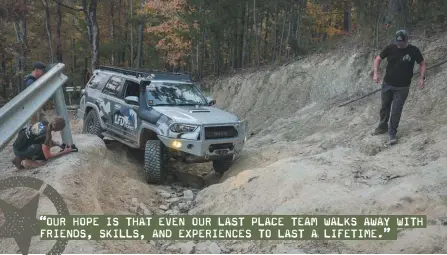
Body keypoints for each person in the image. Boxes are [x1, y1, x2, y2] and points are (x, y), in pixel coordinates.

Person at [371, 29, 426, 145]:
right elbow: (378, 59)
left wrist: (422, 78)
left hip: (402, 87)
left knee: (396, 110)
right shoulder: (390, 48)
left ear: (406, 40)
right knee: (385, 107)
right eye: (397, 42)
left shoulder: (413, 50)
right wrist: (376, 73)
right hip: (387, 84)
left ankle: (392, 133)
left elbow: (422, 63)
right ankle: (382, 127)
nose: (399, 45)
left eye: (401, 42)